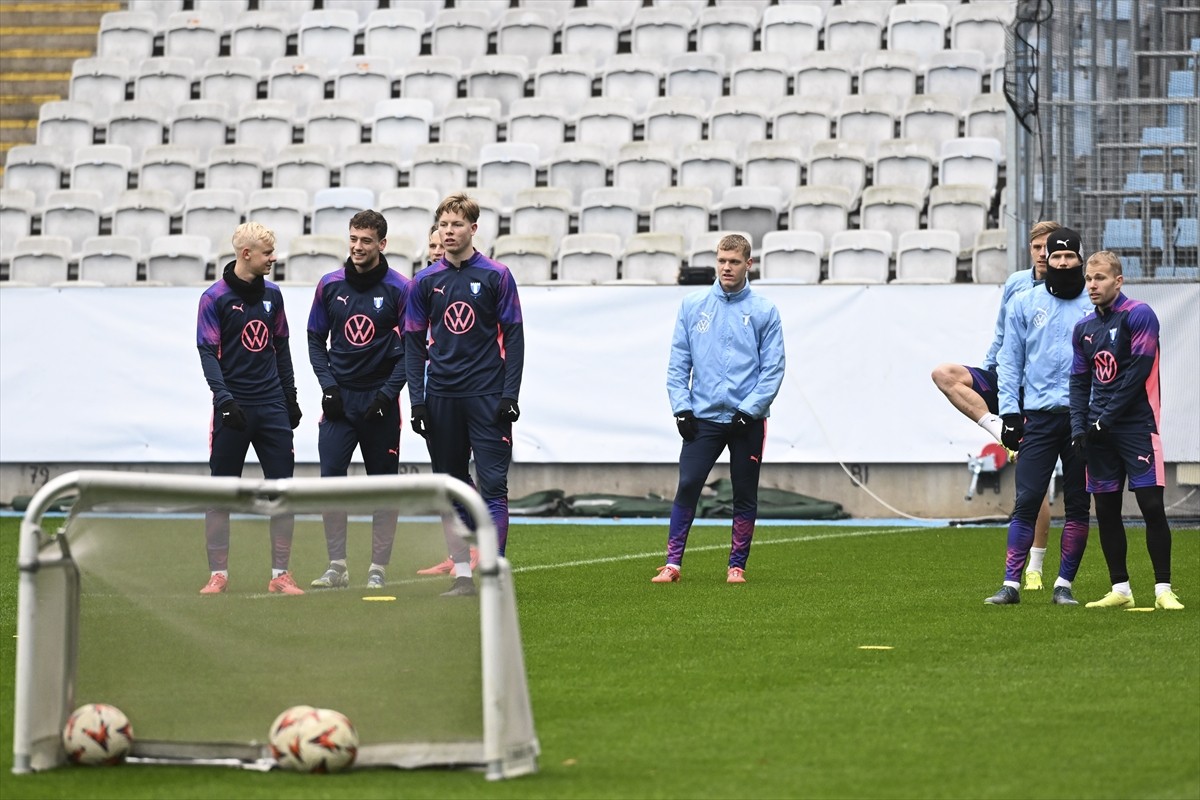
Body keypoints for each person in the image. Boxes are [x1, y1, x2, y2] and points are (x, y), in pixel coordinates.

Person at [405, 192, 525, 597]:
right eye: (443, 225)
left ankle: (494, 573)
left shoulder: (497, 276)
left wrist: (510, 393)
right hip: (441, 398)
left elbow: (515, 336)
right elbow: (413, 345)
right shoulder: (424, 282)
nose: (449, 231)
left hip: (487, 395)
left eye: (457, 225)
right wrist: (417, 401)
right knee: (450, 486)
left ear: (474, 229)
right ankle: (462, 575)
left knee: (493, 485)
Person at [931, 221, 1059, 590]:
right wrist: (990, 367)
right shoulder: (1017, 283)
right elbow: (1002, 332)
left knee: (1032, 485)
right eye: (1036, 247)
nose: (1041, 253)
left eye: (1047, 247)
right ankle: (999, 429)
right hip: (1003, 375)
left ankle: (1034, 566)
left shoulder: (1070, 291)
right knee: (945, 374)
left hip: (1038, 391)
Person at [652, 234, 785, 584]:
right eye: (722, 260)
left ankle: (736, 566)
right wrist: (682, 408)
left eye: (734, 262)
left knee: (744, 491)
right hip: (703, 416)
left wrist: (751, 409)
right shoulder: (692, 305)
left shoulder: (764, 311)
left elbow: (774, 368)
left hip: (747, 420)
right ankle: (672, 564)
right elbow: (678, 363)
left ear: (748, 265)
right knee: (689, 484)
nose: (727, 267)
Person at [985, 227, 1094, 605]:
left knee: (1079, 503)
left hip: (1083, 419)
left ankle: (1064, 585)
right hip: (1038, 417)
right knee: (1027, 499)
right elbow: (1009, 361)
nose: (1062, 263)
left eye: (1069, 257)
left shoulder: (1096, 303)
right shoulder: (1024, 303)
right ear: (1045, 260)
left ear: (1081, 258)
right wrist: (1010, 413)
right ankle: (1011, 584)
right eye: (1056, 257)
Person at [195, 222, 304, 595]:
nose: (273, 258)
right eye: (267, 253)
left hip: (272, 405)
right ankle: (218, 574)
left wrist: (290, 397)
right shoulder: (214, 298)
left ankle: (280, 575)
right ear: (246, 254)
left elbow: (283, 348)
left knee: (283, 491)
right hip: (233, 409)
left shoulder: (274, 295)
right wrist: (224, 399)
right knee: (221, 493)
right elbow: (208, 353)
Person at [1071, 252, 1184, 610]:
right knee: (1105, 509)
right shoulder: (1083, 328)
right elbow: (1078, 383)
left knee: (1151, 505)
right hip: (1099, 431)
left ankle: (1163, 589)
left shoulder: (1139, 314)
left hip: (1137, 425)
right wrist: (1079, 427)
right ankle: (1120, 589)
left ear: (1118, 281)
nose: (1092, 285)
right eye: (1089, 279)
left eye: (1100, 278)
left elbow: (1138, 371)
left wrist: (1107, 418)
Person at [307, 210, 411, 591]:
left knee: (383, 488)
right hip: (339, 403)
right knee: (331, 483)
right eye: (353, 238)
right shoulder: (329, 285)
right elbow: (315, 340)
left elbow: (412, 351)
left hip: (380, 403)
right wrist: (328, 387)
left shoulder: (401, 289)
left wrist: (388, 394)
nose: (357, 246)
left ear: (382, 244)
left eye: (366, 240)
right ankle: (337, 566)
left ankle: (378, 568)